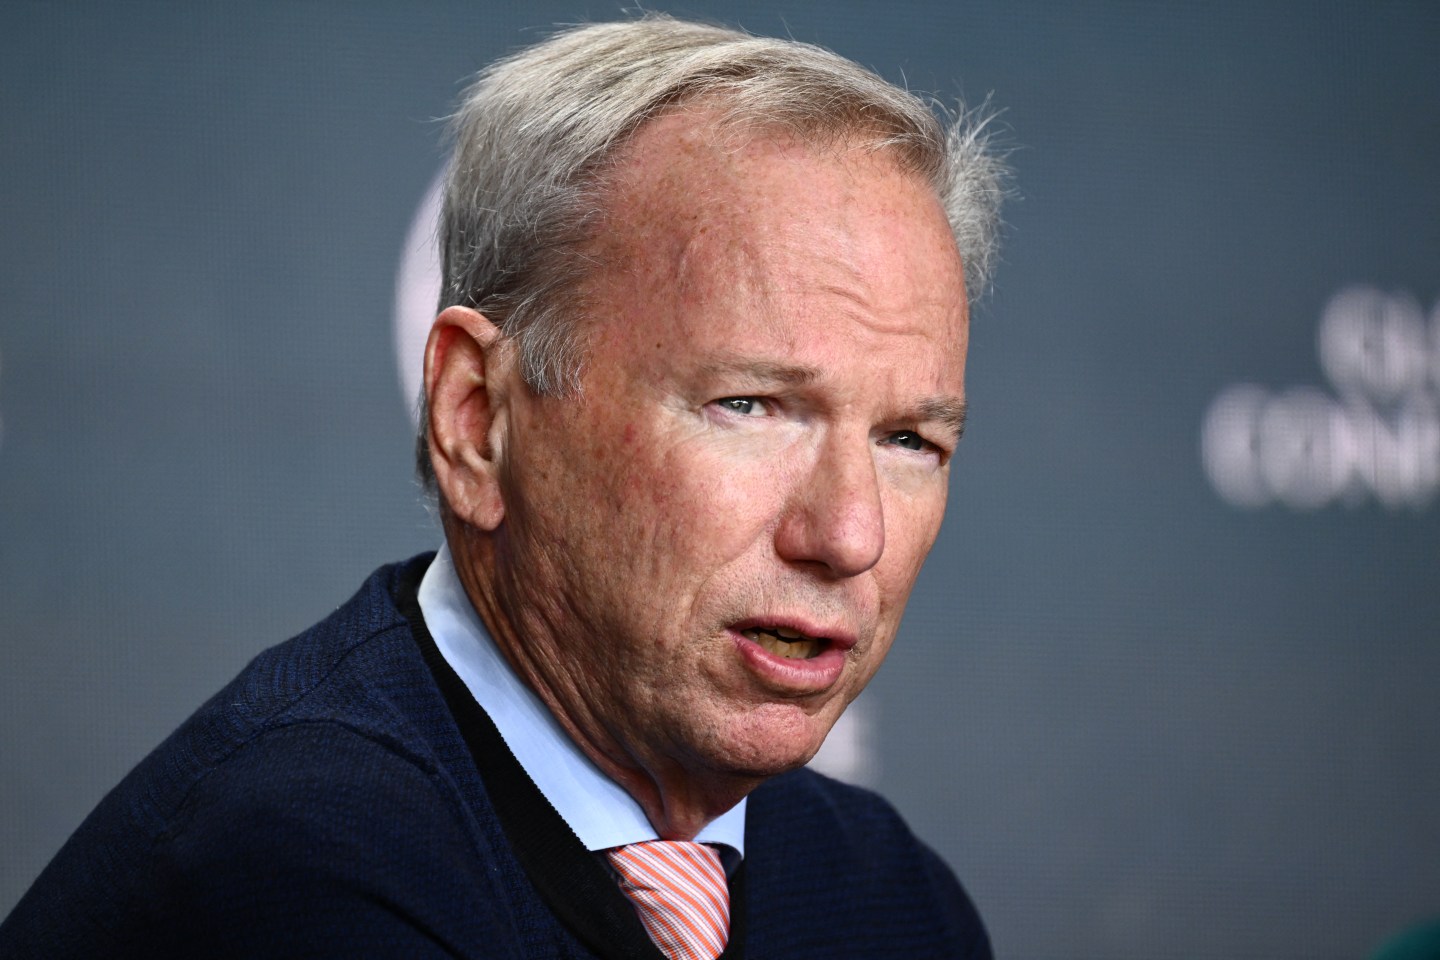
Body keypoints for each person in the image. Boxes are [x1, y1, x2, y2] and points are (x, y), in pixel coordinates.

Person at [0, 15, 1006, 959]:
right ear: (477, 420)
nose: (850, 536)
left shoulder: (891, 896)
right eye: (748, 405)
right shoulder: (299, 872)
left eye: (909, 440)